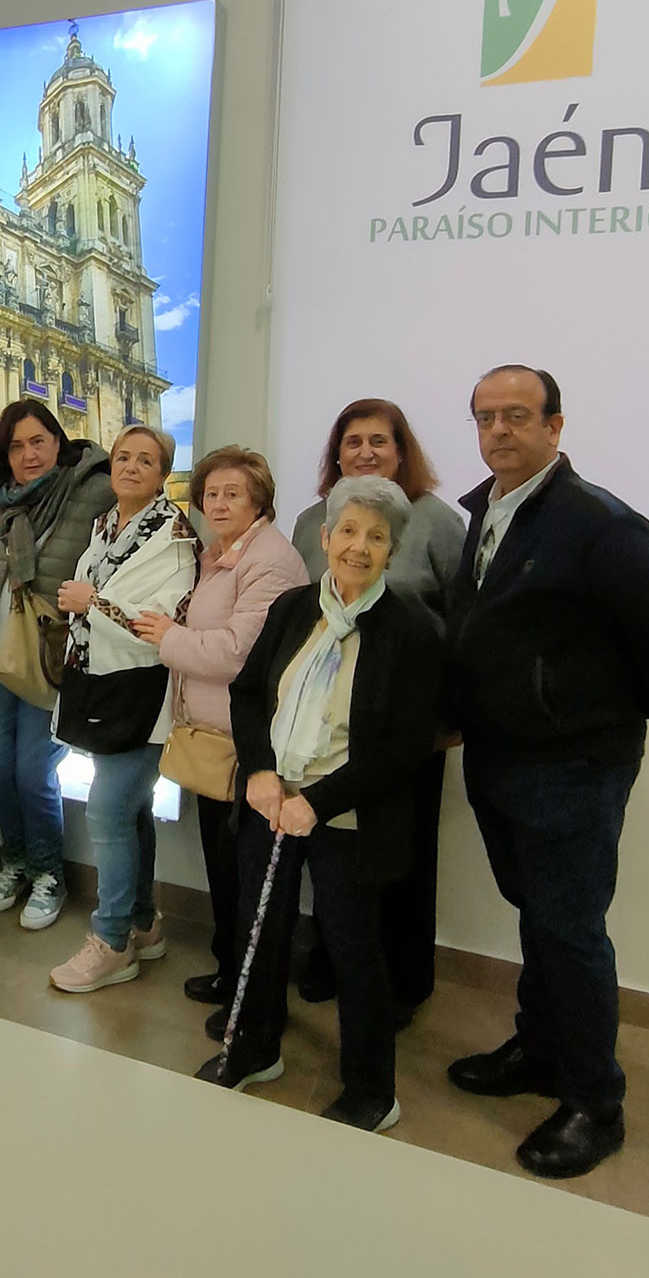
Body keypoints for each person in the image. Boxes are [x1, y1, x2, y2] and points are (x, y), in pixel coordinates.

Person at [445, 365, 649, 1179]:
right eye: (485, 417)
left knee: (571, 931)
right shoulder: (486, 511)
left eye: (517, 415)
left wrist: (576, 717)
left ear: (556, 425)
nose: (499, 430)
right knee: (537, 916)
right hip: (501, 755)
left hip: (572, 763)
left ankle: (593, 1103)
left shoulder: (603, 525)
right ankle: (539, 1050)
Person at [197, 475, 441, 1135]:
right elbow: (249, 696)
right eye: (348, 531)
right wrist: (259, 772)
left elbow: (404, 748)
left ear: (392, 549)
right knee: (260, 924)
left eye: (376, 536)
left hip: (349, 815)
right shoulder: (294, 606)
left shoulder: (411, 628)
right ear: (326, 537)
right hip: (271, 800)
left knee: (352, 946)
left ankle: (371, 1089)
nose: (359, 547)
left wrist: (321, 801)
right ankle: (254, 1048)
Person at [292, 398, 465, 1015]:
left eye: (379, 441)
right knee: (333, 851)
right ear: (336, 453)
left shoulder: (436, 521)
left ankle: (403, 984)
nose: (365, 452)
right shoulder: (314, 518)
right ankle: (334, 960)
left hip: (409, 729)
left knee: (402, 857)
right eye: (353, 441)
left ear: (401, 451)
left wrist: (449, 720)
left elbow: (460, 625)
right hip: (327, 726)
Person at [135, 446, 307, 1014]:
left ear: (259, 498)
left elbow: (241, 654)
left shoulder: (271, 561)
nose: (219, 502)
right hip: (214, 740)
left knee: (253, 879)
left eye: (233, 492)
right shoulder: (219, 555)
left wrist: (166, 638)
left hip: (250, 746)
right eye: (211, 493)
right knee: (225, 869)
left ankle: (252, 999)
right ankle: (231, 973)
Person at [48, 425, 197, 992]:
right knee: (131, 812)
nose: (131, 467)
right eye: (123, 457)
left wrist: (94, 602)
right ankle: (143, 924)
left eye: (146, 460)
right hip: (100, 688)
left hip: (145, 693)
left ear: (163, 474)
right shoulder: (105, 525)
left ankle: (111, 941)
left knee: (109, 810)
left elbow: (164, 627)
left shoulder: (177, 539)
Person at [0, 400, 112, 929]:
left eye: (38, 441)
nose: (29, 455)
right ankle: (16, 859)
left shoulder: (92, 489)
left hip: (51, 660)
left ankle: (50, 871)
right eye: (16, 446)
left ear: (58, 440)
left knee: (33, 769)